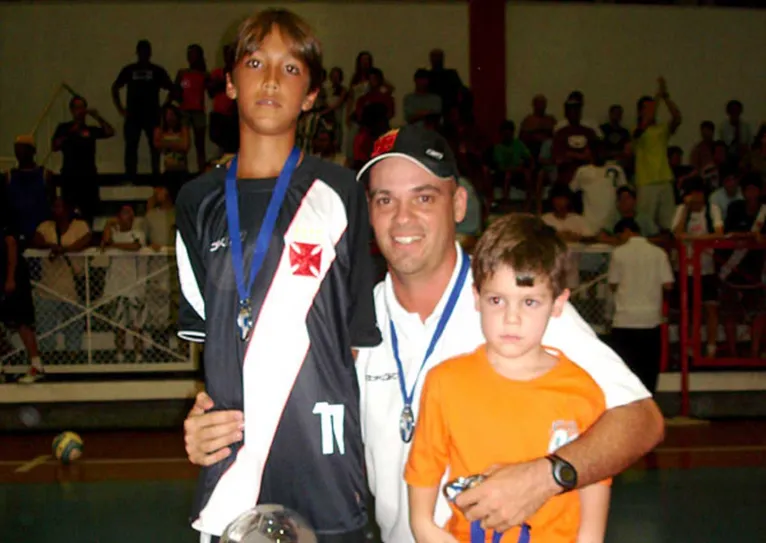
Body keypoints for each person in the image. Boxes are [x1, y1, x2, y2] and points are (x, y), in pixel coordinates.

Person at [183, 125, 665, 543]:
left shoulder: (515, 307)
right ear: (366, 213)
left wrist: (548, 475)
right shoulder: (351, 318)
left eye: (424, 197)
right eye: (384, 199)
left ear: (458, 204)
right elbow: (286, 405)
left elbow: (642, 420)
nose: (403, 219)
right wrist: (212, 424)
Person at [174, 9, 380, 543]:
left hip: (328, 463)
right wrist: (201, 414)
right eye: (255, 62)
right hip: (234, 468)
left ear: (311, 95)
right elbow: (211, 339)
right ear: (229, 83)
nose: (270, 80)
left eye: (291, 69)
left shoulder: (341, 194)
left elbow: (356, 343)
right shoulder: (196, 202)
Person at [406, 213, 611, 543]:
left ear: (558, 304)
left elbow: (592, 497)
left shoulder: (583, 392)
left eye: (529, 302)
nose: (511, 318)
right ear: (477, 298)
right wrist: (428, 531)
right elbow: (423, 490)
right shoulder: (445, 382)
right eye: (497, 300)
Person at [608, 218, 674, 394]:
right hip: (650, 319)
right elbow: (668, 284)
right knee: (648, 370)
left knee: (625, 370)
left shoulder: (619, 253)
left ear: (626, 232)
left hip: (624, 319)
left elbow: (613, 283)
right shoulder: (658, 253)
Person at [672, 178, 724, 358]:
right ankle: (687, 348)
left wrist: (693, 239)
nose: (696, 197)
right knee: (686, 310)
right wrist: (686, 209)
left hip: (707, 268)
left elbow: (719, 234)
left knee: (710, 308)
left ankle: (711, 348)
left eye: (699, 193)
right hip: (685, 269)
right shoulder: (680, 210)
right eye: (692, 194)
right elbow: (677, 234)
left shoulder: (713, 210)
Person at [111, 39, 174, 176]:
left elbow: (172, 89)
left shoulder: (156, 70)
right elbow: (115, 88)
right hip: (134, 114)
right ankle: (130, 176)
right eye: (142, 51)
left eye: (146, 51)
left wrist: (164, 108)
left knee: (155, 147)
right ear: (138, 52)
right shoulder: (130, 70)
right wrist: (121, 109)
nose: (144, 54)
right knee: (131, 147)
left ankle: (156, 177)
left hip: (151, 114)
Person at [51, 95, 115, 224]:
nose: (80, 111)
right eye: (77, 108)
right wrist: (70, 133)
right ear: (72, 110)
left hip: (88, 178)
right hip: (70, 178)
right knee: (68, 213)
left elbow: (110, 132)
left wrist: (98, 117)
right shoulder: (63, 128)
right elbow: (55, 146)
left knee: (88, 214)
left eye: (82, 107)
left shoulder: (90, 130)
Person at [0, 196, 43, 384]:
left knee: (22, 321)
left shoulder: (7, 224)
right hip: (4, 276)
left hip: (13, 277)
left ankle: (36, 364)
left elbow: (11, 245)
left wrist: (10, 277)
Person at [633, 77, 682, 231]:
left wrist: (666, 97)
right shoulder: (637, 132)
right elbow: (646, 121)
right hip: (646, 182)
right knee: (645, 223)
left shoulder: (661, 129)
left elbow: (677, 118)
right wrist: (658, 96)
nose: (652, 111)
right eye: (647, 108)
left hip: (664, 179)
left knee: (670, 224)